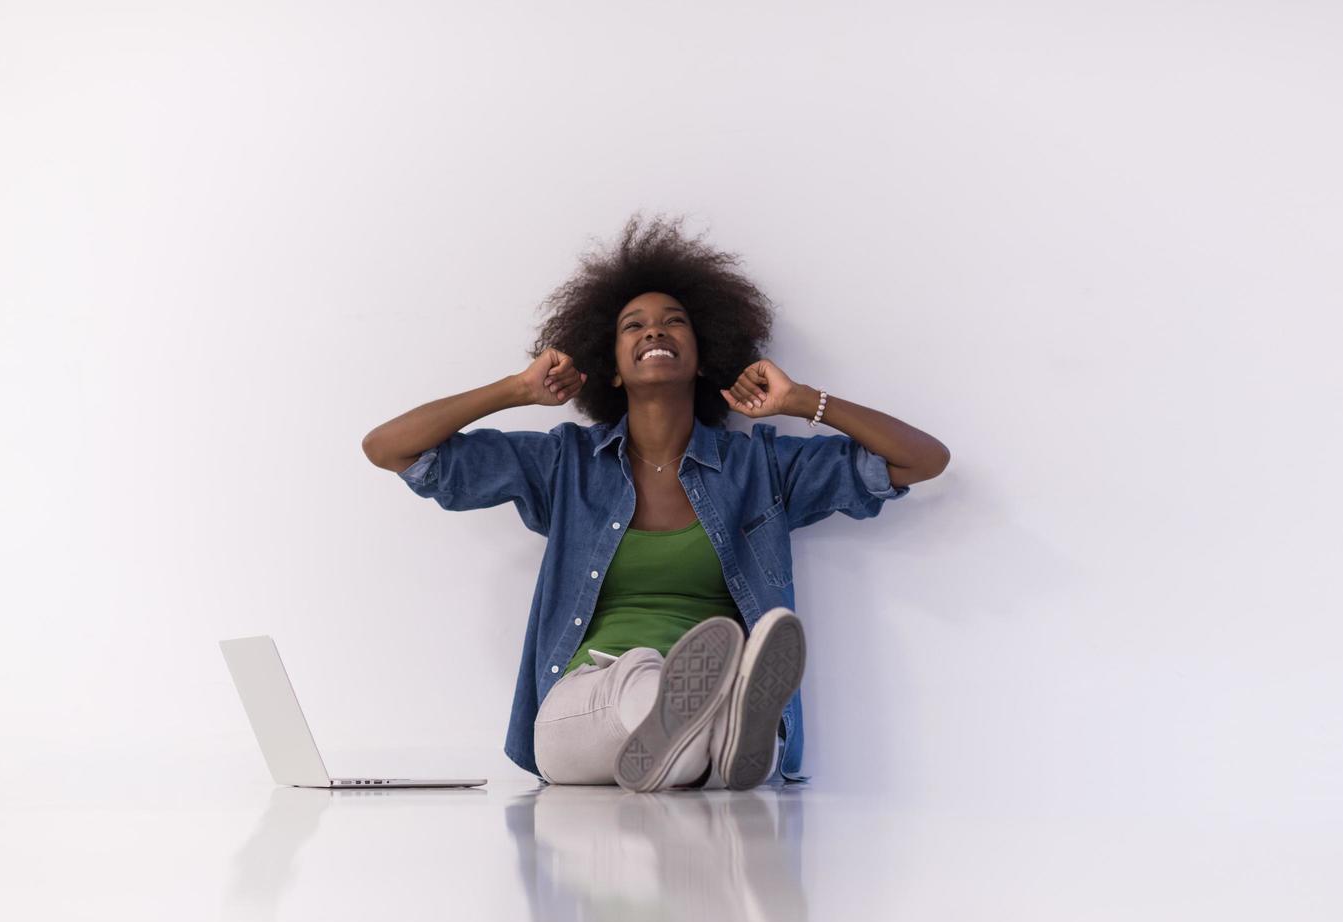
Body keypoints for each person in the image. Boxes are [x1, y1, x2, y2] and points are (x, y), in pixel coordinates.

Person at [362, 212, 950, 791]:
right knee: (641, 681)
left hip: (693, 716)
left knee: (682, 726)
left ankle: (704, 739)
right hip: (587, 703)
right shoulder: (566, 463)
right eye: (632, 326)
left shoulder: (760, 466)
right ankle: (723, 733)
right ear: (610, 368)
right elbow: (390, 448)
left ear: (703, 355)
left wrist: (803, 402)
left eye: (675, 322)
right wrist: (516, 388)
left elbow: (921, 460)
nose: (654, 331)